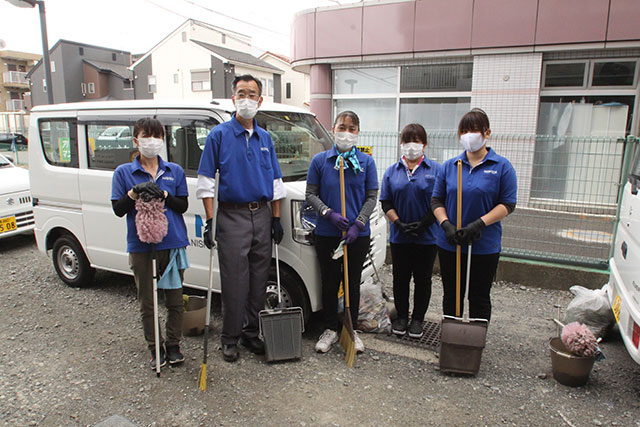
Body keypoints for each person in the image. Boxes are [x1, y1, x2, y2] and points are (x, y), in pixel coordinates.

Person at [196, 74, 286, 363]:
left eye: (252, 94)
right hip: (232, 216)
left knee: (259, 279)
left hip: (260, 213)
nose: (247, 98)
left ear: (260, 100)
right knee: (235, 281)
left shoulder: (266, 138)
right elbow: (206, 181)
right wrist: (211, 221)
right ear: (233, 98)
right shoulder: (219, 135)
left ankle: (251, 333)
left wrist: (275, 218)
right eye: (241, 93)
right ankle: (230, 337)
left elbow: (275, 183)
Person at [111, 117, 190, 370]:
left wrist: (165, 194)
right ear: (136, 140)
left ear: (162, 140)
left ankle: (174, 345)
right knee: (147, 300)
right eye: (147, 136)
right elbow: (118, 210)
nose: (152, 141)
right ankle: (155, 348)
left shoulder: (174, 171)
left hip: (173, 243)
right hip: (141, 245)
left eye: (156, 136)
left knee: (175, 299)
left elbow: (183, 205)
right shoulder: (124, 172)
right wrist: (134, 193)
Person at [431, 108, 517, 322]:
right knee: (452, 294)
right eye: (465, 131)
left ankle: (474, 343)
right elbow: (436, 200)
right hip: (451, 243)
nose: (469, 135)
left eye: (475, 130)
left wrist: (480, 223)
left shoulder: (502, 167)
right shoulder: (451, 166)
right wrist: (446, 224)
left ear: (487, 133)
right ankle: (452, 339)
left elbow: (507, 203)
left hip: (484, 244)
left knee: (479, 296)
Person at [306, 111, 378, 354]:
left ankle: (351, 327)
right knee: (329, 281)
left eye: (351, 128)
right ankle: (329, 328)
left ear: (357, 132)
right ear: (333, 129)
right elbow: (311, 194)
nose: (346, 132)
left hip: (357, 234)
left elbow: (371, 197)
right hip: (328, 232)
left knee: (352, 282)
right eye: (341, 126)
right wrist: (328, 213)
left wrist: (358, 223)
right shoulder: (320, 161)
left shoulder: (366, 162)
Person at [380, 124, 441, 338]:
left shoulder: (436, 170)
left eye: (416, 140)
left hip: (428, 236)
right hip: (400, 236)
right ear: (401, 144)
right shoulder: (391, 171)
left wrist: (425, 222)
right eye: (407, 141)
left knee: (423, 279)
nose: (411, 146)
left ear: (424, 144)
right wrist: (398, 223)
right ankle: (403, 317)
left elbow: (440, 200)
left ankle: (418, 320)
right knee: (400, 278)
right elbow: (386, 202)